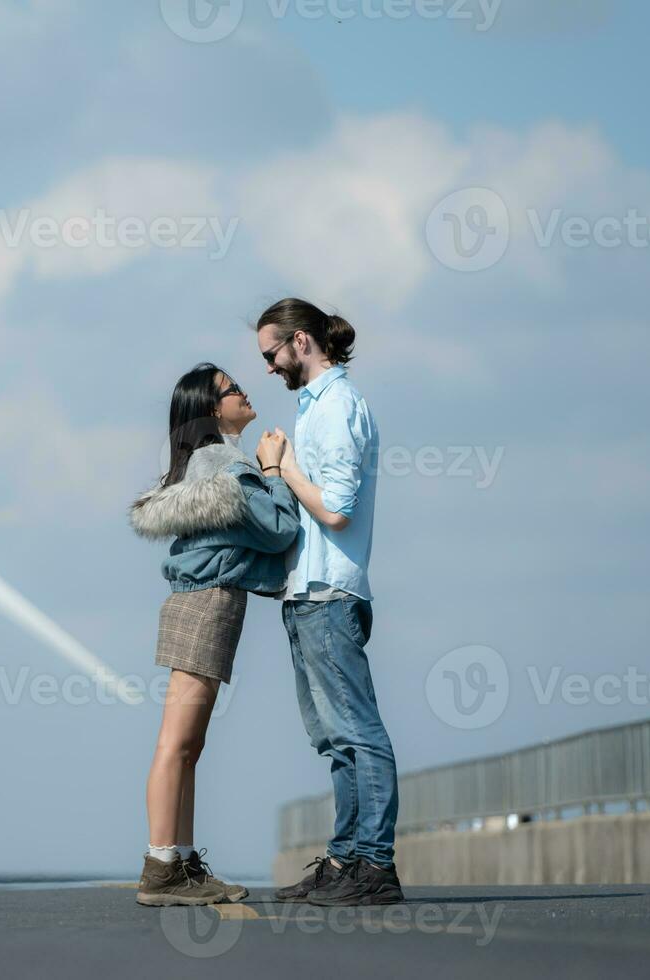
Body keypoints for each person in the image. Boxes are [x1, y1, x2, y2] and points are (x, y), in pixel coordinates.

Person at [128, 362, 300, 906]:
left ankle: (179, 861)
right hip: (207, 604)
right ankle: (161, 868)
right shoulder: (224, 461)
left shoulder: (201, 463)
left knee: (189, 745)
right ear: (211, 409)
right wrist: (273, 471)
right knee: (177, 742)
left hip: (201, 603)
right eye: (232, 389)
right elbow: (278, 531)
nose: (245, 391)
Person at [255, 298, 404, 907]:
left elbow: (337, 509)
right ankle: (346, 860)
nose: (267, 367)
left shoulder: (338, 405)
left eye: (271, 354)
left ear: (301, 342)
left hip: (330, 592)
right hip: (307, 592)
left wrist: (282, 467)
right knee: (336, 740)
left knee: (359, 734)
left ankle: (375, 866)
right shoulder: (315, 405)